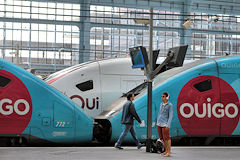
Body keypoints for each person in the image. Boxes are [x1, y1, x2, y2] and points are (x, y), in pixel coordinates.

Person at [157, 92, 173, 157]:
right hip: (159, 123)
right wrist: (157, 121)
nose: (162, 98)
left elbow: (170, 115)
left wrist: (168, 125)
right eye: (161, 96)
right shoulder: (161, 104)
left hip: (165, 124)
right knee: (162, 138)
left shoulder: (170, 105)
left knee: (167, 138)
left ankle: (169, 151)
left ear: (166, 97)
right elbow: (159, 113)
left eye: (163, 96)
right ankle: (166, 151)